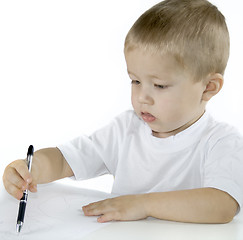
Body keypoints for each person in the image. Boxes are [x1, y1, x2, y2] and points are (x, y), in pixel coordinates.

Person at [3, 0, 243, 224]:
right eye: (135, 81)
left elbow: (222, 204)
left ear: (208, 88)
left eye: (159, 86)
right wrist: (31, 169)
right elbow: (66, 160)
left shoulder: (221, 141)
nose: (141, 97)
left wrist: (143, 205)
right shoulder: (126, 130)